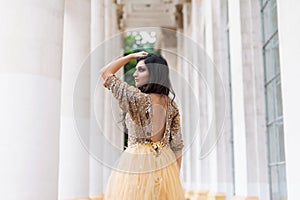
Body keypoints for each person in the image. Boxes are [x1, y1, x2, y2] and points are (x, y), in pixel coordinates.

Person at [100, 52, 185, 200]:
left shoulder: (137, 98)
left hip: (137, 163)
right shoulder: (172, 105)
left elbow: (105, 73)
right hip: (165, 164)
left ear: (154, 73)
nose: (134, 74)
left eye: (141, 70)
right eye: (136, 69)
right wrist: (174, 178)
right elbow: (177, 146)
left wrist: (130, 57)